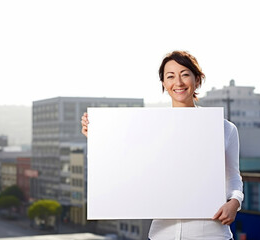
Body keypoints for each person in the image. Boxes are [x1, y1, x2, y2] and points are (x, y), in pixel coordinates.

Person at [81, 50, 243, 239]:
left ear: (197, 80)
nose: (179, 82)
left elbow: (233, 178)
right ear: (164, 84)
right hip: (162, 234)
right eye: (171, 76)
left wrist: (235, 203)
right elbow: (126, 168)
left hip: (211, 233)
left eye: (185, 75)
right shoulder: (149, 129)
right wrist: (98, 137)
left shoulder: (224, 128)